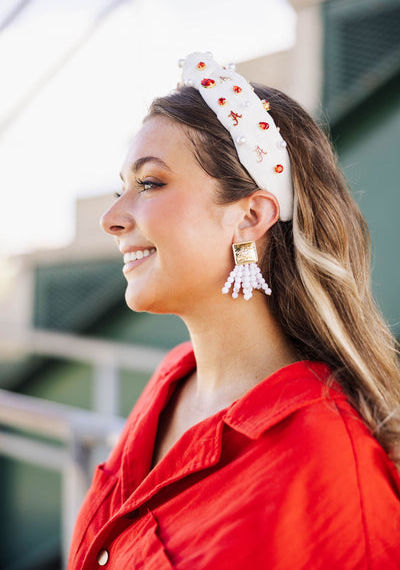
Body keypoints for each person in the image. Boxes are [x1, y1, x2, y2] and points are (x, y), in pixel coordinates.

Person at [67, 52, 400, 569]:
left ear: (250, 216)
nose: (112, 218)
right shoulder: (171, 382)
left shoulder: (330, 469)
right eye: (120, 189)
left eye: (150, 183)